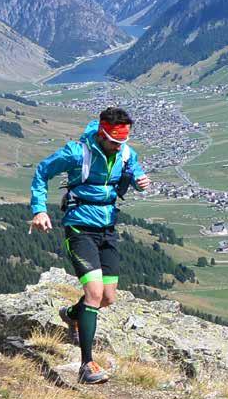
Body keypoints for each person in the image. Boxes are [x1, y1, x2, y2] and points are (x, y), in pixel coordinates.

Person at [29, 107, 151, 384]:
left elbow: (134, 169)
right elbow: (42, 171)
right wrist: (39, 210)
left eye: (122, 142)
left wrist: (140, 180)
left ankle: (72, 315)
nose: (118, 147)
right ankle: (87, 365)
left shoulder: (125, 152)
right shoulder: (76, 153)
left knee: (108, 298)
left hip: (108, 229)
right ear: (101, 134)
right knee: (94, 294)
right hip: (80, 227)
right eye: (114, 142)